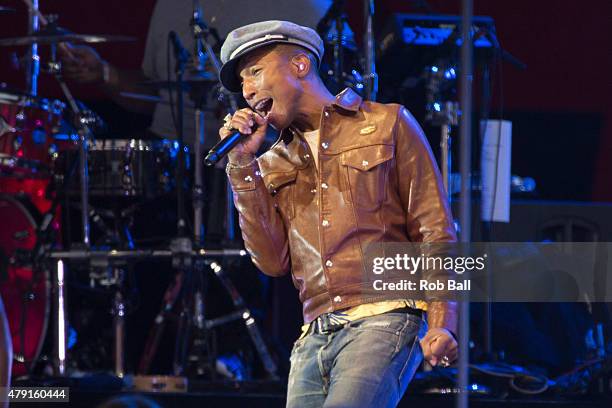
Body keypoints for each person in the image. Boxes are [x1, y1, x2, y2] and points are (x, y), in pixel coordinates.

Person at [218, 20, 458, 407]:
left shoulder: (387, 122)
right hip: (313, 334)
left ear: (299, 65)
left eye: (255, 72)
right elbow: (271, 261)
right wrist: (242, 166)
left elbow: (436, 230)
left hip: (385, 316)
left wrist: (443, 320)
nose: (247, 90)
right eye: (243, 82)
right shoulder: (272, 163)